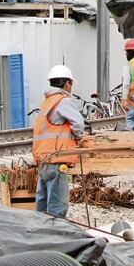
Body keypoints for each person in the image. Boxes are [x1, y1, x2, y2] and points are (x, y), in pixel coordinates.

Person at [32, 65, 85, 218]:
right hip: (57, 159)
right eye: (71, 84)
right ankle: (56, 231)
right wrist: (78, 137)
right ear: (67, 83)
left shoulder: (47, 102)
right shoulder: (63, 101)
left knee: (41, 207)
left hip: (43, 160)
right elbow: (78, 124)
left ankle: (40, 230)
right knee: (57, 207)